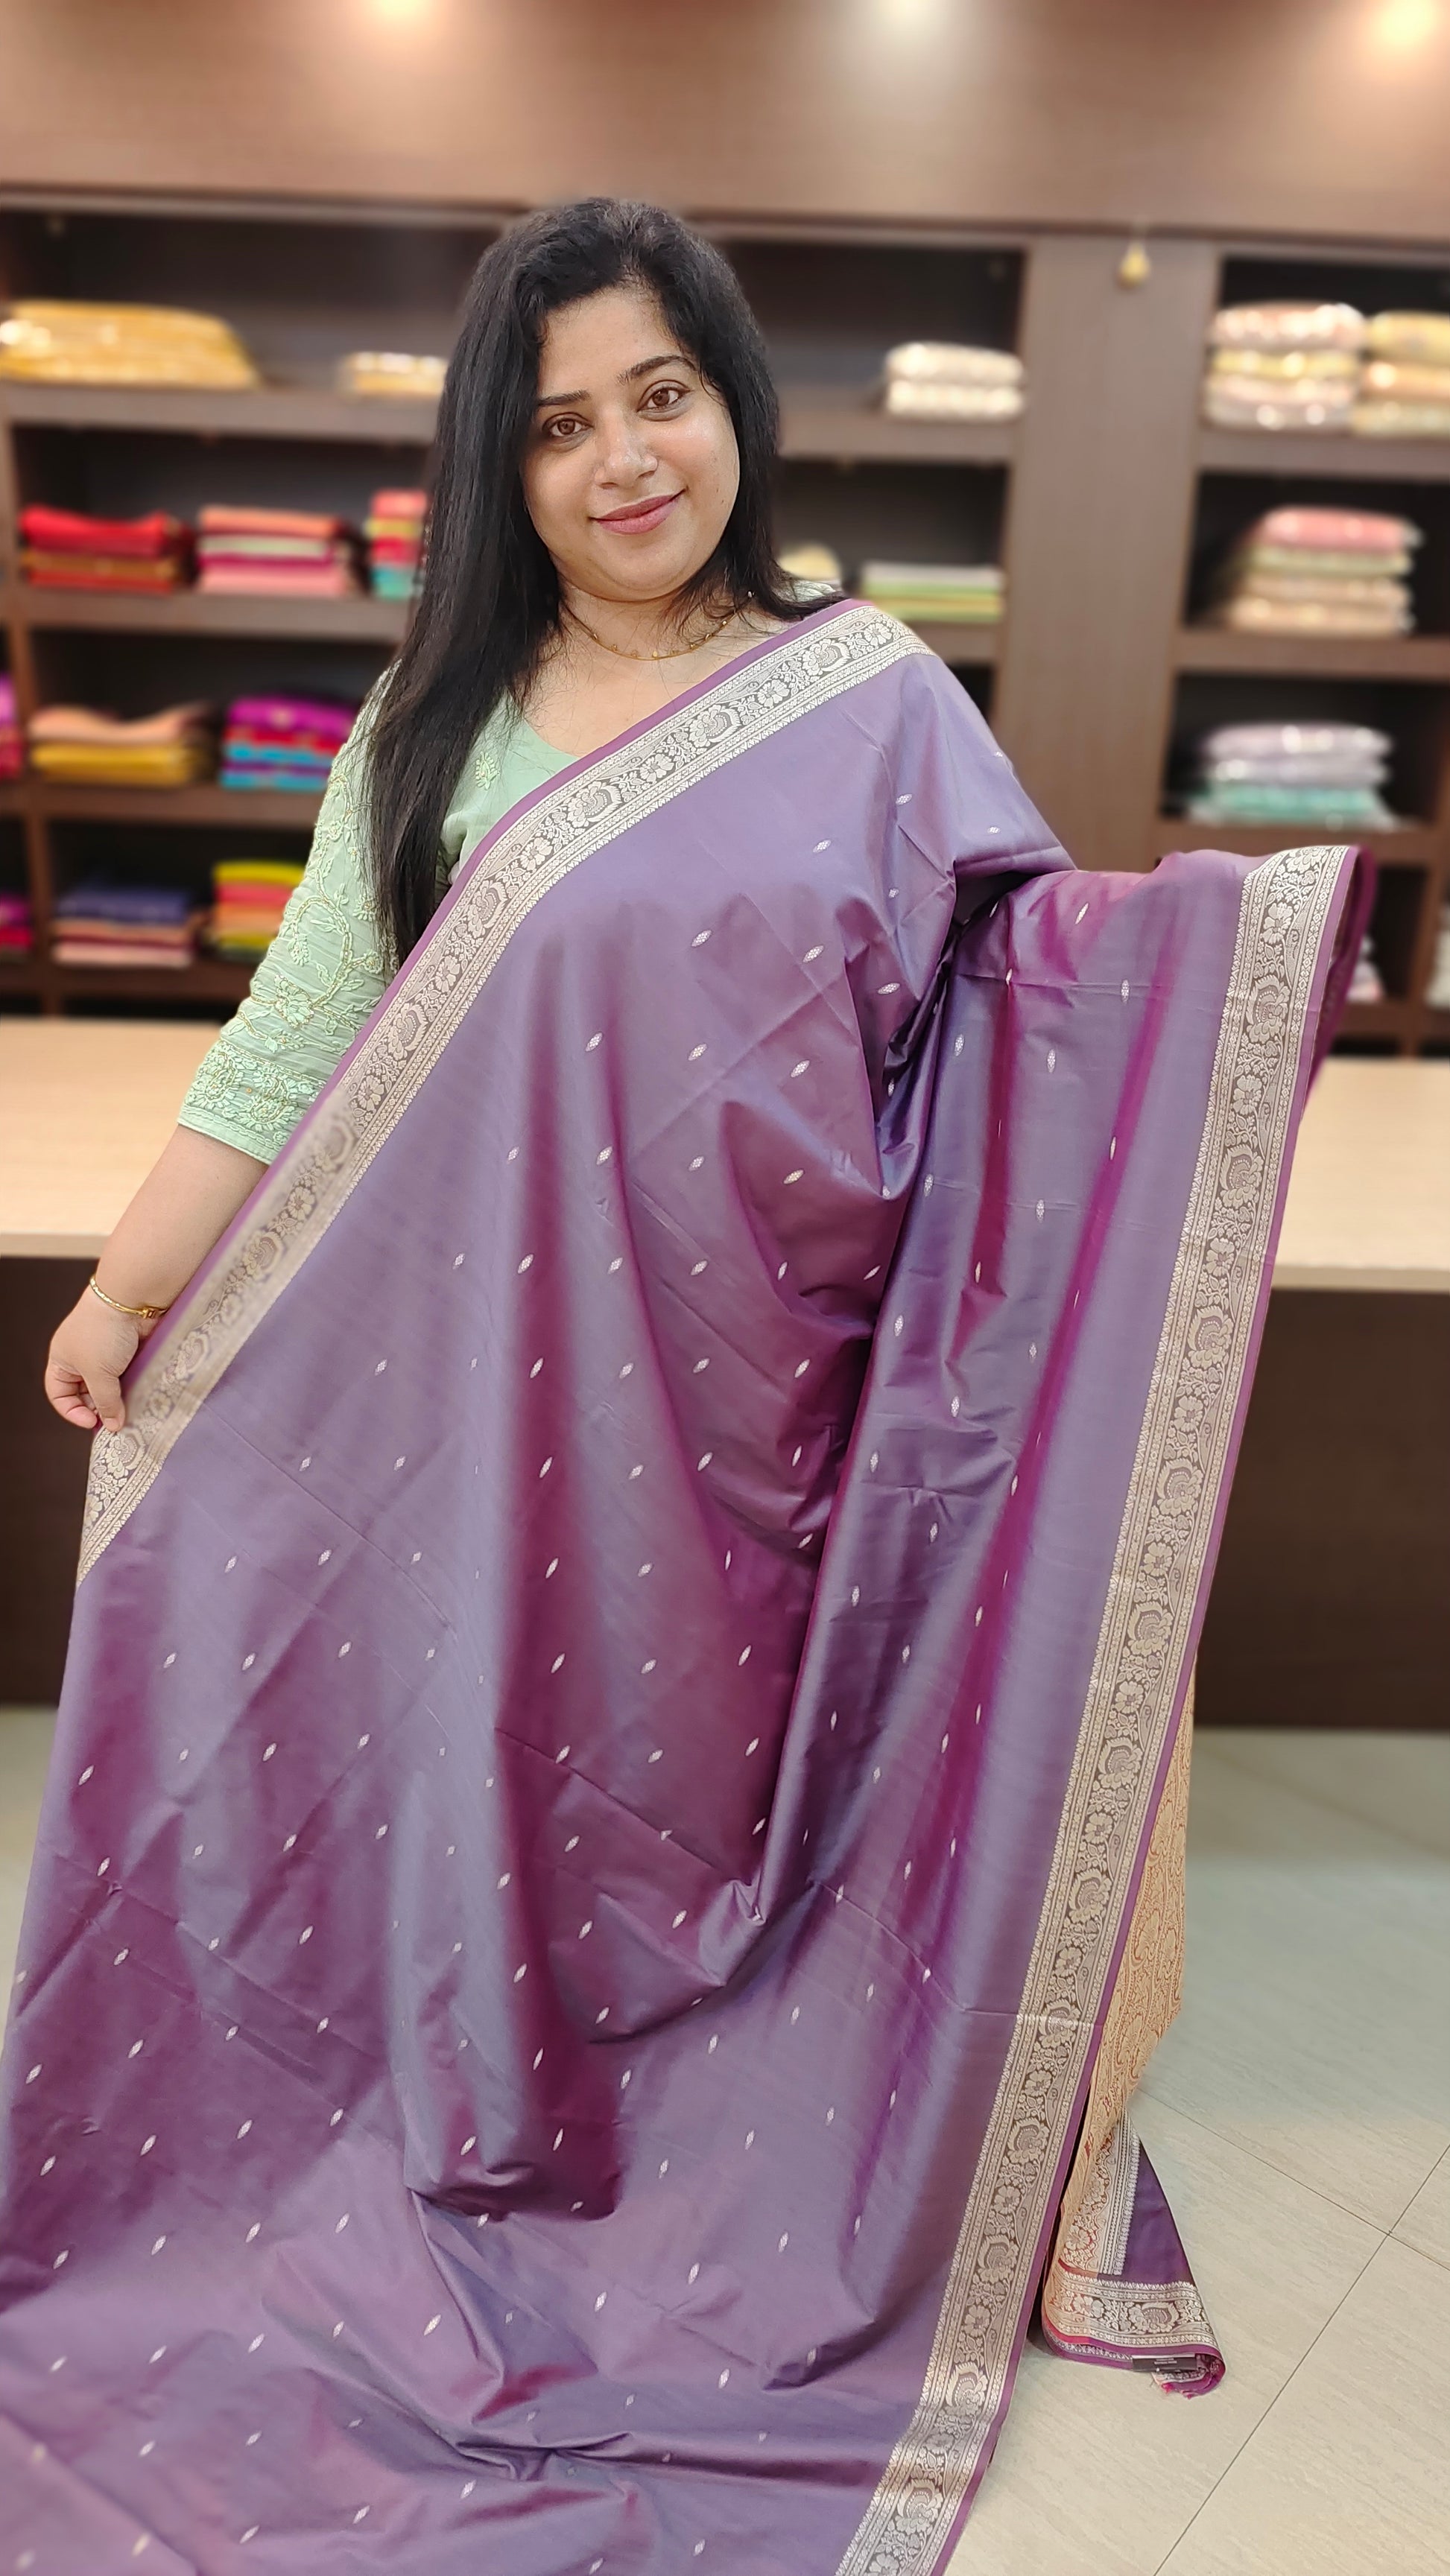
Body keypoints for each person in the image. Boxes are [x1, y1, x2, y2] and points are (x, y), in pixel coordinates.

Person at [3, 201, 1368, 2575]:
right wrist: (132, 1288)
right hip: (469, 1402)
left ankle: (695, 2131)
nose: (623, 458)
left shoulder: (870, 700)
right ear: (499, 465)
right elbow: (300, 1034)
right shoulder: (436, 727)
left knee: (679, 1801)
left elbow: (1010, 1003)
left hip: (764, 1411)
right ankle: (443, 2125)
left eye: (661, 395)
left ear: (732, 403)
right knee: (458, 1769)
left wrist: (1215, 944)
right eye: (559, 425)